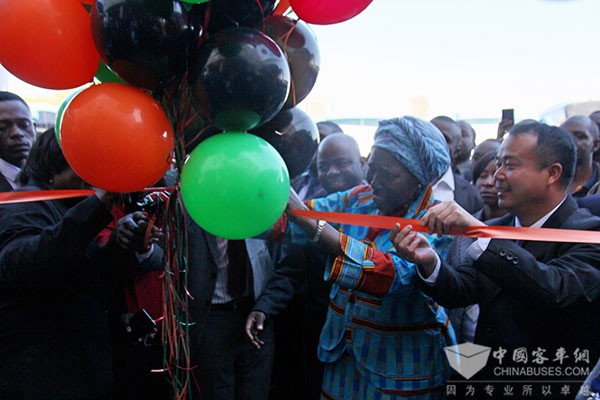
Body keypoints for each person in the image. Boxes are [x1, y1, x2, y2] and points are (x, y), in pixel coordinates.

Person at [257, 116, 456, 399]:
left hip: (402, 375)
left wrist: (304, 218)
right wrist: (254, 208)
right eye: (370, 169)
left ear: (419, 179)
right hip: (343, 367)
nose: (374, 181)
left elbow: (390, 275)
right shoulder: (359, 198)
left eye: (387, 175)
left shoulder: (436, 221)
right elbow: (288, 222)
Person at [391, 121, 600, 377]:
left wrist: (483, 234)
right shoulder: (496, 228)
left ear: (553, 173)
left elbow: (554, 290)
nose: (496, 175)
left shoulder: (589, 233)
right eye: (498, 163)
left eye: (509, 165)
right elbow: (463, 289)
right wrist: (429, 262)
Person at [0, 128, 164, 399]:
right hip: (40, 379)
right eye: (86, 172)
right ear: (53, 170)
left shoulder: (67, 208)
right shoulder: (24, 206)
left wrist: (120, 243)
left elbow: (85, 277)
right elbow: (24, 264)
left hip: (75, 375)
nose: (93, 182)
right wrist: (98, 204)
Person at [245, 134, 366, 400]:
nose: (332, 173)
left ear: (362, 163)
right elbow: (290, 270)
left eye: (342, 163)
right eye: (324, 166)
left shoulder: (380, 209)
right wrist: (264, 307)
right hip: (321, 335)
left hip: (373, 339)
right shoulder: (308, 214)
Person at [187, 225, 276, 400]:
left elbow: (286, 267)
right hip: (211, 320)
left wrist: (265, 306)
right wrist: (145, 247)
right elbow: (164, 255)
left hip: (258, 315)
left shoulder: (262, 206)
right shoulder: (192, 207)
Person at [444, 150, 507, 343]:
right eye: (482, 176)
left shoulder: (520, 230)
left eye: (494, 174)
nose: (489, 182)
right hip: (462, 339)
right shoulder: (462, 230)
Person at [430, 116, 483, 213]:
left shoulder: (471, 195)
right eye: (430, 135)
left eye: (444, 139)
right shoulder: (400, 185)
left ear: (456, 151)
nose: (435, 142)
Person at [291, 120, 345, 201]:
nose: (316, 145)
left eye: (323, 141)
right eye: (313, 139)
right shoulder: (293, 179)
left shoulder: (344, 189)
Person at [0, 91, 36, 192]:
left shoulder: (53, 175)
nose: (17, 133)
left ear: (35, 128)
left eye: (24, 125)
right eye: (2, 127)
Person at [559, 115, 600, 196]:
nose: (570, 140)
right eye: (564, 136)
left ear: (595, 145)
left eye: (579, 136)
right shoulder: (545, 181)